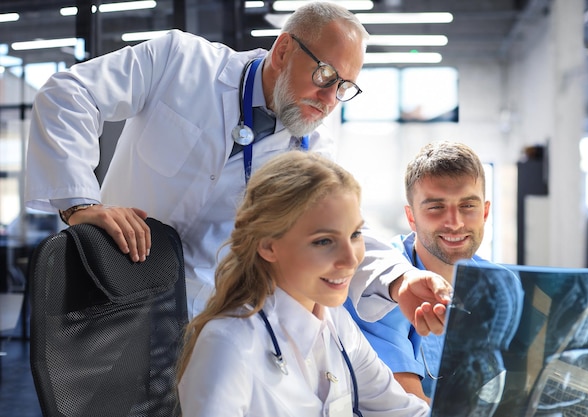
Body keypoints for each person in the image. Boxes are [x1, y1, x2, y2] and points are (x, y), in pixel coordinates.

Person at [24, 2, 451, 327]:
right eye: (324, 75)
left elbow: (336, 228)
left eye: (344, 88)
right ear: (283, 50)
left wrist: (399, 279)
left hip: (210, 316)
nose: (329, 99)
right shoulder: (181, 61)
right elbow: (69, 94)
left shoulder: (311, 142)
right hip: (112, 286)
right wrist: (80, 203)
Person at [176, 150, 430, 416]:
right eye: (323, 241)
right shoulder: (226, 346)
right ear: (268, 246)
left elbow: (404, 412)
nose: (350, 260)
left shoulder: (337, 324)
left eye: (355, 234)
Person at [345, 140, 494, 402]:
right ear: (411, 217)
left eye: (468, 206)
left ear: (485, 212)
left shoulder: (498, 283)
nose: (455, 223)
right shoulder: (383, 286)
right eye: (436, 207)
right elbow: (406, 403)